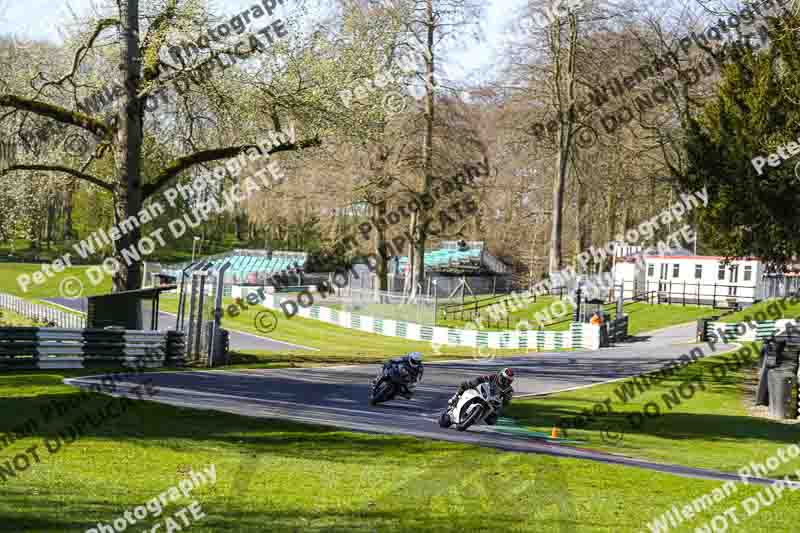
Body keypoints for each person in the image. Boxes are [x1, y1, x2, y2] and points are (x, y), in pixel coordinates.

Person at [447, 368, 515, 424]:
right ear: (500, 375)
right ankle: (455, 397)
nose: (505, 382)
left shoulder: (509, 389)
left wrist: (505, 401)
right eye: (504, 379)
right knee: (467, 384)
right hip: (484, 393)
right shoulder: (493, 377)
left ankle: (478, 418)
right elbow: (481, 378)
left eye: (508, 381)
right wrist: (475, 383)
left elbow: (506, 402)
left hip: (493, 402)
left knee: (492, 421)